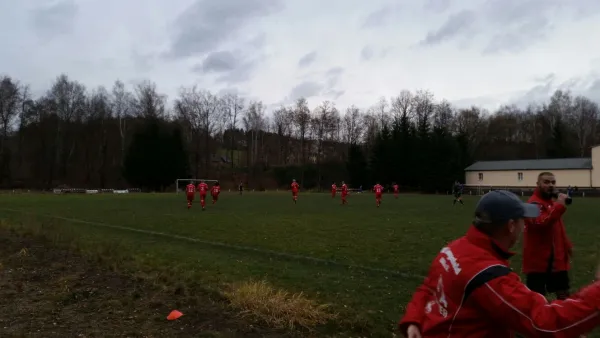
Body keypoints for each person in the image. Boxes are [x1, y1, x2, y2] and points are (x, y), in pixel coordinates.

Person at [398, 190, 600, 338]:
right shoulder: (488, 276)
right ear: (511, 226)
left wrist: (413, 319)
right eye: (522, 220)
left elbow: (428, 287)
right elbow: (546, 321)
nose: (524, 226)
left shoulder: (455, 248)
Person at [523, 172, 572, 300]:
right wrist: (559, 206)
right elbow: (540, 223)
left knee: (564, 296)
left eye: (553, 182)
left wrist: (566, 245)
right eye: (546, 182)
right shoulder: (531, 204)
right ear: (538, 184)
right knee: (537, 298)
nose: (550, 185)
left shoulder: (551, 203)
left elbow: (557, 228)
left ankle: (565, 318)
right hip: (538, 261)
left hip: (557, 259)